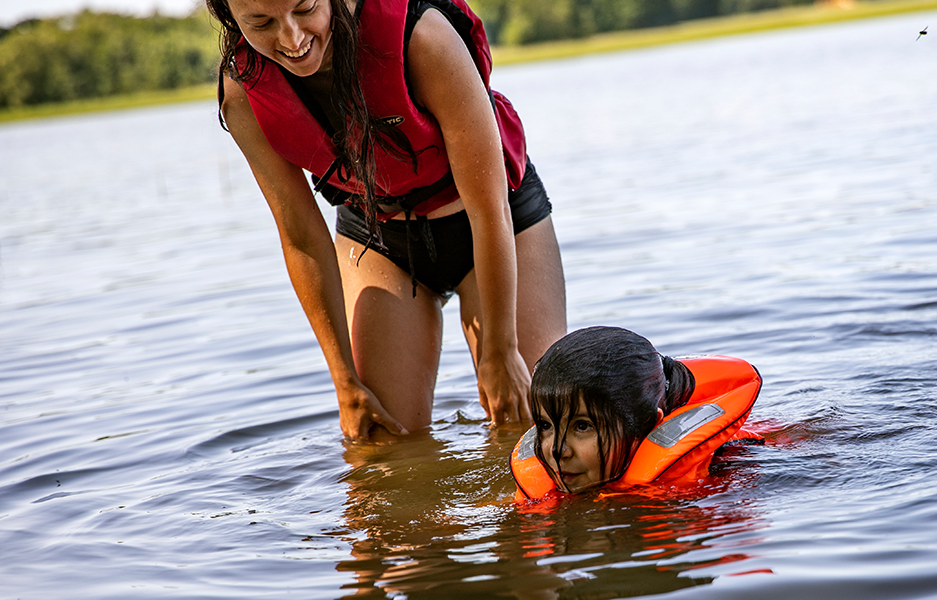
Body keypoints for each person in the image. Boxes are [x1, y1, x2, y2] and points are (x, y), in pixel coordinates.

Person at [205, 0, 567, 440]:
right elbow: (301, 237)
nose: (292, 39)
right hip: (380, 236)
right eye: (261, 23)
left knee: (536, 423)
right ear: (231, 19)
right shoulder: (244, 92)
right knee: (377, 439)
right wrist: (344, 384)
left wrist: (501, 348)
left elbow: (487, 206)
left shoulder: (422, 36)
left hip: (495, 220)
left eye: (305, 9)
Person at [520, 327, 762, 496]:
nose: (557, 450)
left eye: (583, 426)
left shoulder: (719, 478)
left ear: (647, 424)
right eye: (545, 425)